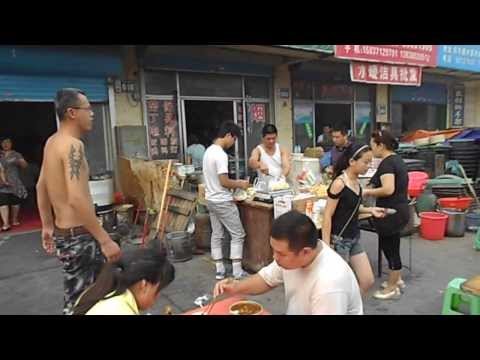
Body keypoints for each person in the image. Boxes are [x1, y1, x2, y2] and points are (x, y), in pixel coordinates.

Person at [36, 88, 121, 315]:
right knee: (85, 303)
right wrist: (104, 240)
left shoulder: (52, 142)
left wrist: (47, 226)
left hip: (66, 235)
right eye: (88, 109)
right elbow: (76, 198)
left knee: (81, 297)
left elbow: (40, 187)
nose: (92, 113)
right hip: (80, 237)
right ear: (72, 113)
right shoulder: (73, 146)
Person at [214, 211, 363, 315]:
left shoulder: (330, 283)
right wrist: (236, 287)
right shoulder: (292, 258)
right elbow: (266, 279)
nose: (275, 257)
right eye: (273, 250)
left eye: (280, 253)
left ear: (305, 252)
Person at [322, 143, 386, 297]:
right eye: (365, 162)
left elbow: (352, 208)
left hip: (354, 238)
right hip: (339, 241)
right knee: (338, 287)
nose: (368, 166)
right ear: (352, 161)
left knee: (367, 280)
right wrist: (326, 247)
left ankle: (350, 307)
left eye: (370, 162)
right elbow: (327, 215)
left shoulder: (357, 182)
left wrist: (371, 210)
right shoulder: (339, 183)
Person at [363, 130, 409, 300]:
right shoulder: (396, 160)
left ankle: (392, 287)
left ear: (381, 145)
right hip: (399, 210)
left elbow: (388, 189)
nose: (371, 149)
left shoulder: (387, 163)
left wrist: (367, 192)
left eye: (372, 146)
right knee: (389, 245)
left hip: (391, 212)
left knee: (391, 249)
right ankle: (396, 279)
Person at [202, 121, 250, 280]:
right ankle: (237, 271)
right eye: (234, 139)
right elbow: (224, 181)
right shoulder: (220, 154)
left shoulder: (208, 151)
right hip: (222, 200)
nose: (233, 143)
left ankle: (219, 269)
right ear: (229, 135)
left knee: (217, 234)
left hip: (210, 199)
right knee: (238, 234)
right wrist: (240, 184)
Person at [73, 246, 175, 315]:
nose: (156, 298)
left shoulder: (99, 291)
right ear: (144, 285)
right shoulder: (122, 310)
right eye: (157, 291)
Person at [0, 138, 28, 231]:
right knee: (3, 201)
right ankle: (6, 223)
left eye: (7, 143)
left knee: (15, 202)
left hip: (14, 181)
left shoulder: (16, 154)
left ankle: (14, 219)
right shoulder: (0, 155)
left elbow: (25, 165)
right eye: (3, 143)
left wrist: (20, 162)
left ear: (11, 144)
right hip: (1, 182)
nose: (5, 144)